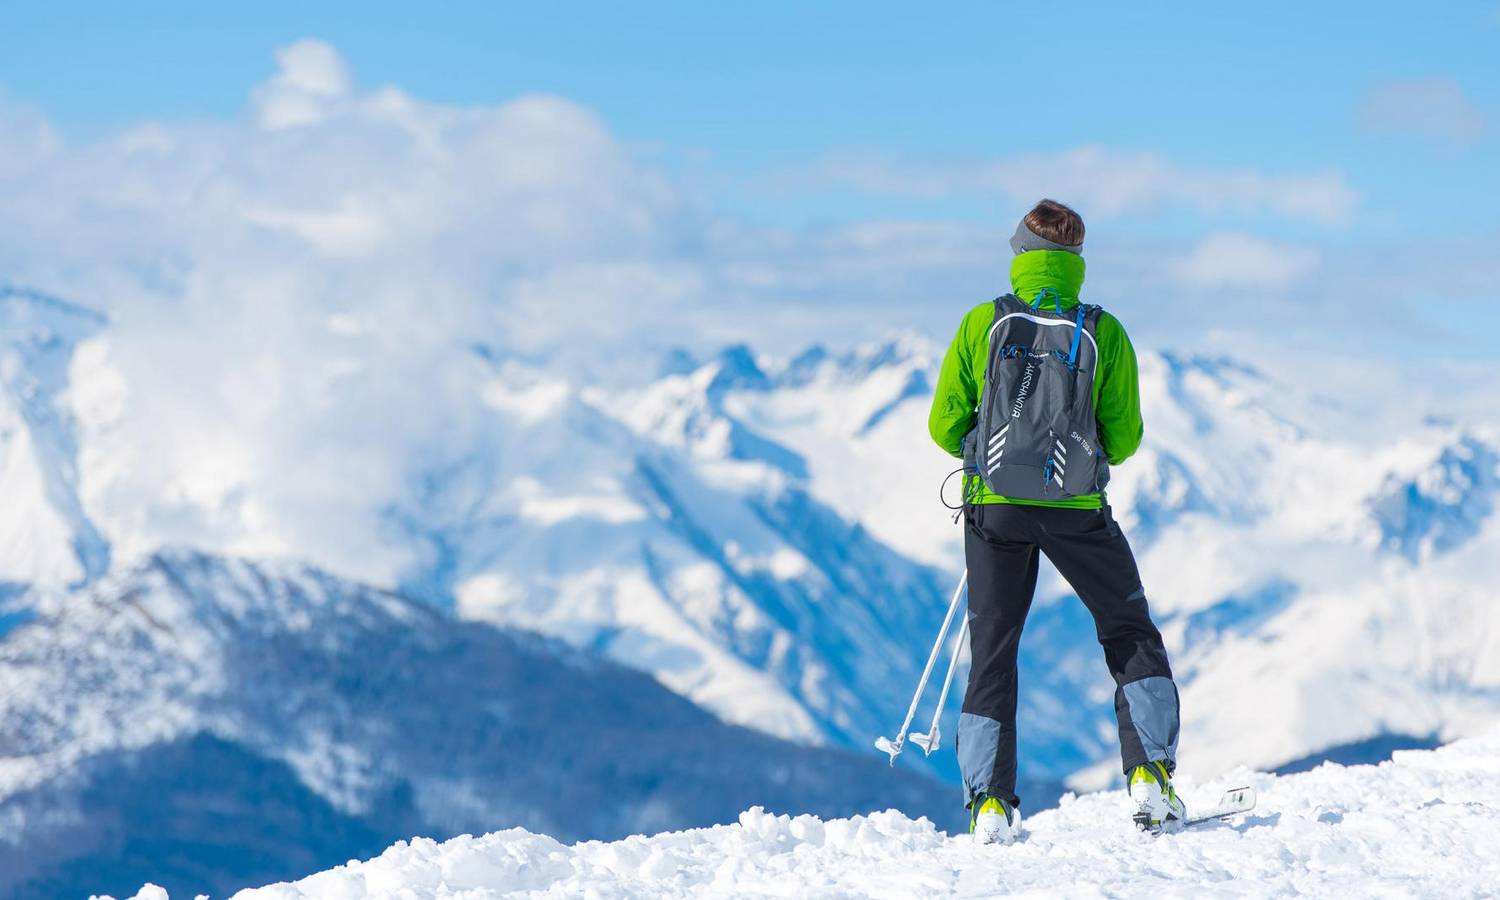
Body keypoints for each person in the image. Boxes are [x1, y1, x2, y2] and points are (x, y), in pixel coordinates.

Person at [927, 199, 1183, 845]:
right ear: (1078, 260)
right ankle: (1150, 773)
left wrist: (987, 453)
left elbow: (942, 423)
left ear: (1019, 253)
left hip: (995, 507)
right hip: (1076, 510)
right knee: (1127, 630)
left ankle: (989, 804)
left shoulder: (983, 323)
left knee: (994, 647)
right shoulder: (1103, 329)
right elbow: (1124, 436)